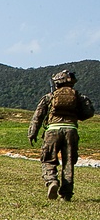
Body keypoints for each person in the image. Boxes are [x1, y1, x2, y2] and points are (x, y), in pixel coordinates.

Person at [29, 70, 95, 201]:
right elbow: (89, 113)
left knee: (48, 159)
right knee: (68, 163)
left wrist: (32, 133)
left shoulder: (49, 97)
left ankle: (52, 181)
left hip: (52, 131)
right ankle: (66, 194)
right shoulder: (79, 97)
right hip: (71, 130)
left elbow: (38, 116)